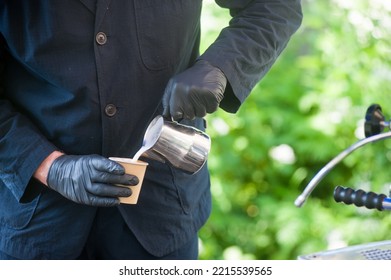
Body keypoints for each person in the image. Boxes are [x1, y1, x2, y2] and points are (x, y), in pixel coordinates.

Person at [0, 1, 302, 259]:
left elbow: (272, 7)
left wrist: (220, 67)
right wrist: (46, 165)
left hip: (162, 211)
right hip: (35, 221)